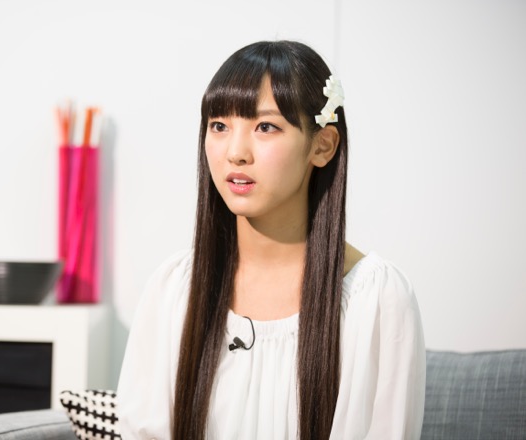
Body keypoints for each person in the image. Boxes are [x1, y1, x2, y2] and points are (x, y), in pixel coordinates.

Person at [117, 40, 425, 439]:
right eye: (219, 126)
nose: (235, 152)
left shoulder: (377, 300)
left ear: (323, 145)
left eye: (265, 127)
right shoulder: (175, 289)